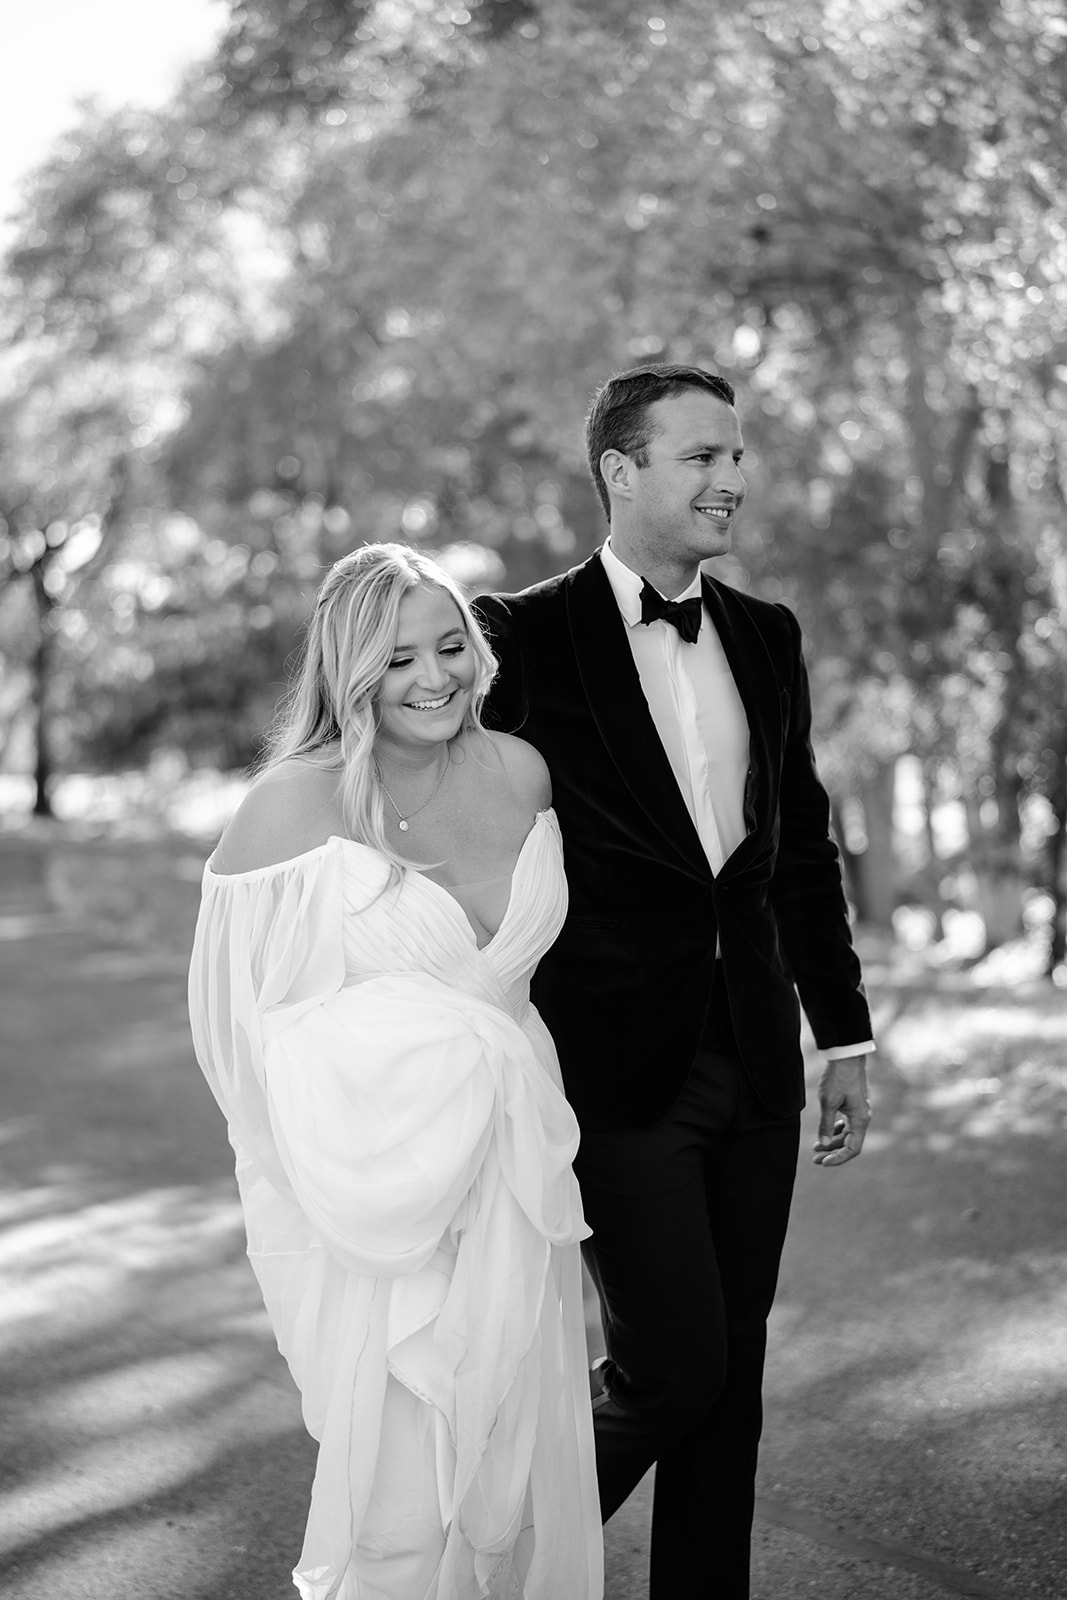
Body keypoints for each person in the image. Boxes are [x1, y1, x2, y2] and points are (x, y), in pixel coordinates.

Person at [475, 363, 874, 1599]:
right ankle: (478, 1564)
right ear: (620, 469)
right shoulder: (516, 635)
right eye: (700, 456)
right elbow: (462, 825)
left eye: (735, 456)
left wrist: (841, 1033)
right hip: (608, 1066)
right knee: (672, 1369)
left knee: (730, 1389)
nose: (731, 479)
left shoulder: (764, 634)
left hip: (752, 1058)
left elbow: (795, 845)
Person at [187, 543, 603, 1600]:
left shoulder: (520, 772)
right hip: (370, 1198)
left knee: (500, 1484)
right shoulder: (292, 805)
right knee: (397, 1512)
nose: (433, 678)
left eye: (450, 646)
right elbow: (239, 1030)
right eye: (398, 657)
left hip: (509, 1173)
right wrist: (341, 1165)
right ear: (347, 671)